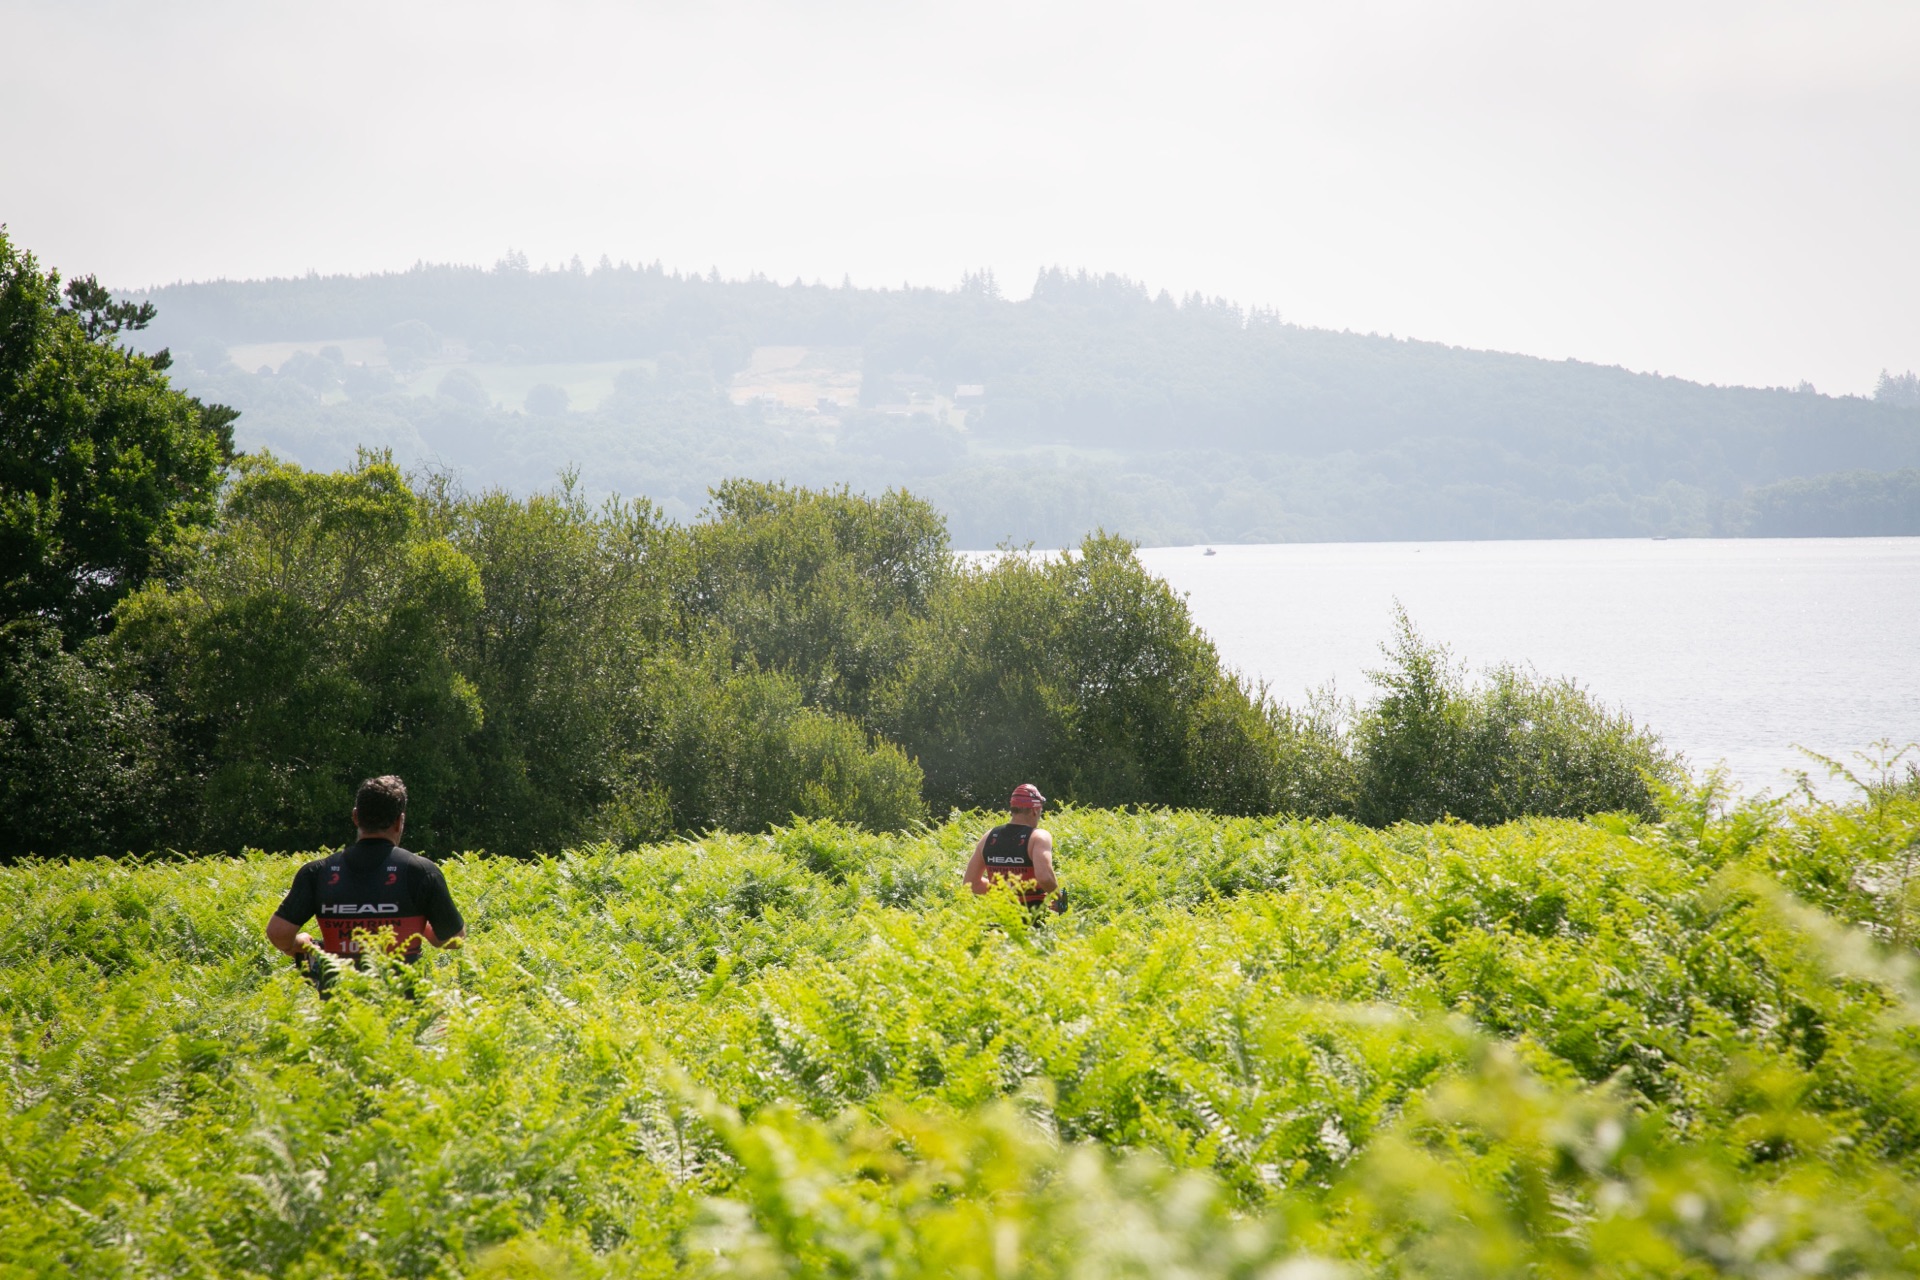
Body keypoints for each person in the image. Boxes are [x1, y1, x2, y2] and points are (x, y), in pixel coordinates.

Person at [266, 775, 466, 986]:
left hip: (340, 1010)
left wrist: (300, 944)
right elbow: (453, 939)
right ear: (399, 822)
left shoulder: (317, 872)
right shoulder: (421, 872)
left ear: (355, 817)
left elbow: (279, 934)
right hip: (403, 1010)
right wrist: (421, 926)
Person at [963, 782, 1063, 912]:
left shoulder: (989, 836)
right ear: (1035, 810)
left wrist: (1004, 890)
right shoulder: (1038, 837)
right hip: (1031, 917)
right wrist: (1059, 898)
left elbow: (970, 884)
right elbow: (1044, 877)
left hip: (997, 915)